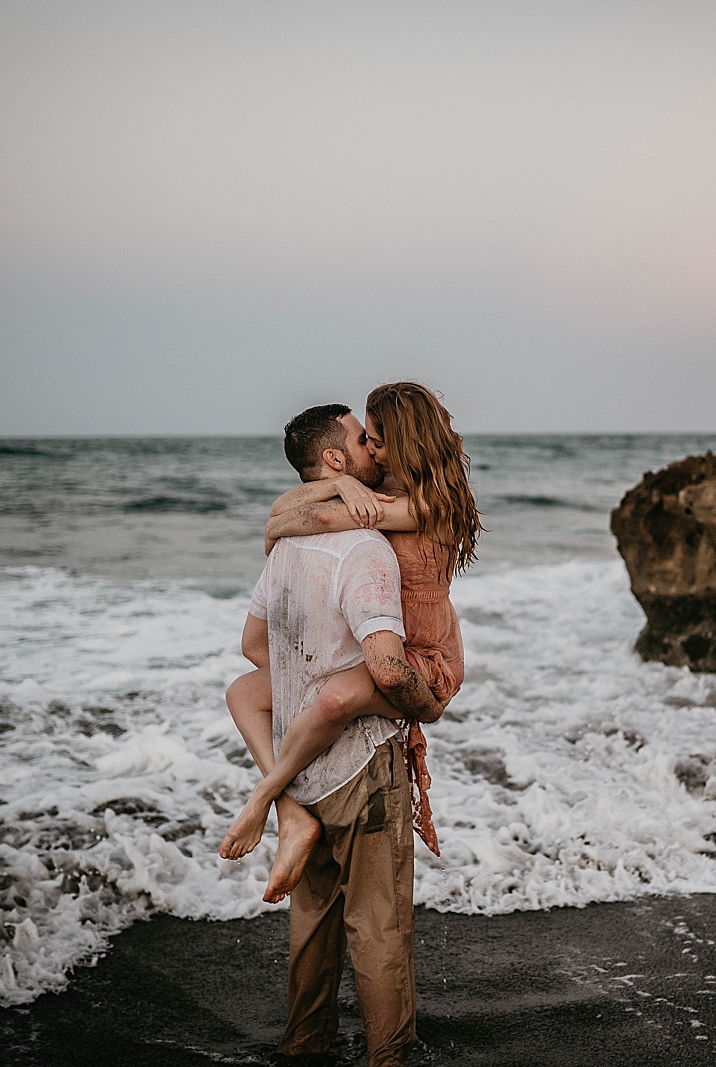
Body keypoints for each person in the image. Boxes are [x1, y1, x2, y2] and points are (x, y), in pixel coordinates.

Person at [218, 402, 444, 1066]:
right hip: (363, 759)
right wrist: (417, 705)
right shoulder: (366, 546)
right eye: (361, 440)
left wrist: (312, 687)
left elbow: (254, 645)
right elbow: (383, 662)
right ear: (338, 459)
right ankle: (387, 1058)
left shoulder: (288, 545)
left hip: (302, 762)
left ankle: (304, 1046)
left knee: (312, 923)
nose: (375, 448)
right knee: (378, 931)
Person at [222, 383, 480, 883]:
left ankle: (264, 798)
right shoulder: (382, 482)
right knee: (243, 693)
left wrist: (280, 528)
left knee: (333, 698)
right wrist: (340, 484)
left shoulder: (435, 505)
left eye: (378, 439)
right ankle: (292, 816)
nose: (374, 451)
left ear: (406, 441)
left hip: (424, 660)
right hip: (381, 651)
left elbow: (296, 518)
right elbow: (287, 503)